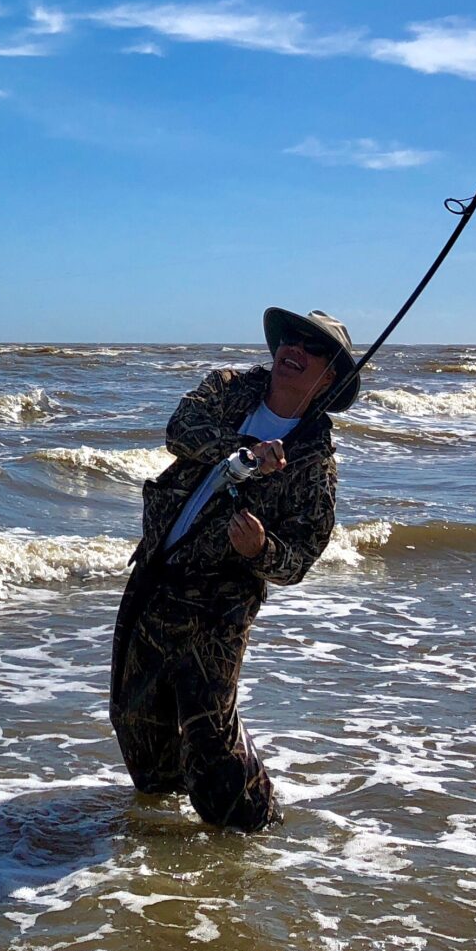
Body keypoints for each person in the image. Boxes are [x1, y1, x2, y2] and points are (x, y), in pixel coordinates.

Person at [108, 308, 359, 832]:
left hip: (219, 602)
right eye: (291, 338)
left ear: (330, 375)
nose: (296, 349)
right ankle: (156, 841)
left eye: (313, 349)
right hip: (155, 569)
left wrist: (261, 549)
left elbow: (298, 560)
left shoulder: (314, 463)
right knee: (133, 717)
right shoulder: (228, 388)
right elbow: (180, 430)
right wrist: (243, 454)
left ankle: (256, 833)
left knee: (209, 732)